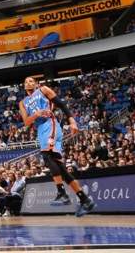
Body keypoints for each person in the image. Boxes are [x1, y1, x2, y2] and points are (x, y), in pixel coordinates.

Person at [19, 76, 95, 216]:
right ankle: (85, 200)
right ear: (24, 86)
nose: (28, 82)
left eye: (31, 81)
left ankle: (62, 193)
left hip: (50, 124)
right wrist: (35, 114)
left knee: (47, 157)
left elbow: (62, 104)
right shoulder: (23, 103)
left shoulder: (43, 90)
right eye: (26, 81)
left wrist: (72, 121)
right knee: (60, 168)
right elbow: (26, 123)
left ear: (36, 84)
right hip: (40, 130)